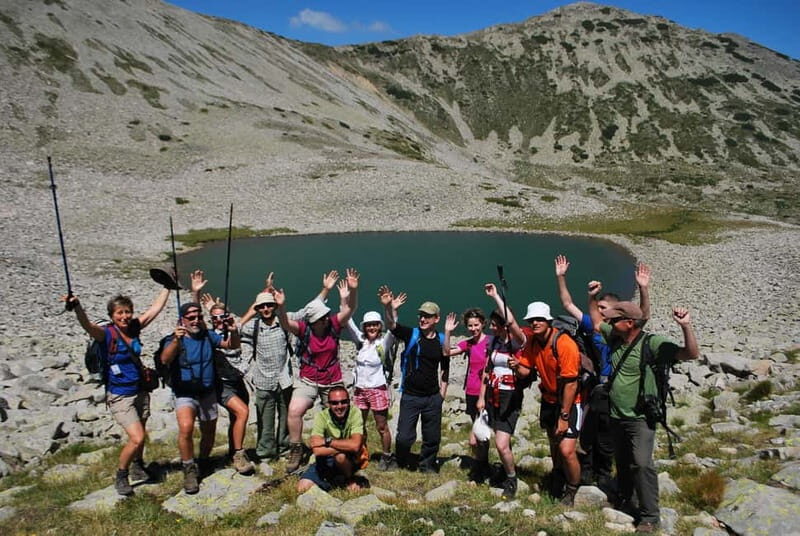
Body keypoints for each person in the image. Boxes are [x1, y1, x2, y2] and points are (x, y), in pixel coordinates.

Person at [593, 301, 698, 533]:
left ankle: (650, 515)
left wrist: (685, 326)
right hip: (616, 414)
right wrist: (593, 296)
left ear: (630, 323)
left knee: (641, 464)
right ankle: (624, 498)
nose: (609, 322)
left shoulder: (653, 343)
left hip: (640, 417)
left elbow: (690, 354)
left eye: (615, 319)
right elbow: (597, 321)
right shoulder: (616, 337)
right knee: (621, 461)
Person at [554, 255, 651, 489]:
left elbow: (643, 317)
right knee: (589, 433)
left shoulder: (621, 333)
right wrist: (561, 278)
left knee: (607, 434)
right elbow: (568, 305)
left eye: (605, 309)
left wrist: (643, 289)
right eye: (599, 309)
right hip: (594, 388)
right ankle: (587, 471)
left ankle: (604, 473)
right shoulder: (593, 326)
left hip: (614, 389)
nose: (601, 312)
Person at [65, 285, 170, 496]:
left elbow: (154, 310)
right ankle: (121, 474)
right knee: (137, 437)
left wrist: (167, 286)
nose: (124, 316)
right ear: (112, 315)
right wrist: (77, 307)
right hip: (120, 395)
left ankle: (138, 466)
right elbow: (87, 326)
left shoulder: (134, 328)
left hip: (140, 390)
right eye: (119, 313)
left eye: (127, 311)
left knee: (142, 430)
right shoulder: (106, 334)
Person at [240, 270, 341, 462]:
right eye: (262, 306)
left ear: (276, 306)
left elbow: (308, 310)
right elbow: (236, 327)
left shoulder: (285, 320)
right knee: (265, 419)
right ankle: (265, 452)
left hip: (285, 379)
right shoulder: (252, 327)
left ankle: (286, 448)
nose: (267, 309)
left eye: (270, 305)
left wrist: (325, 290)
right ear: (258, 309)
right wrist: (261, 296)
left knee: (287, 417)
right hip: (262, 380)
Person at [276, 268, 359, 474]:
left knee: (338, 414)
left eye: (326, 315)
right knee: (295, 411)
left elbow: (350, 310)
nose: (326, 318)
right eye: (322, 317)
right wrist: (281, 306)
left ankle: (340, 448)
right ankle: (296, 449)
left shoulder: (333, 325)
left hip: (332, 380)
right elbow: (284, 322)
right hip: (308, 380)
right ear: (313, 321)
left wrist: (353, 291)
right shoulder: (303, 329)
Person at [159, 301, 241, 494]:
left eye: (199, 317)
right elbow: (165, 359)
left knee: (209, 430)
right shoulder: (173, 339)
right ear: (182, 320)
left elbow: (231, 345)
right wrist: (176, 341)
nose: (196, 320)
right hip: (185, 392)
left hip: (207, 391)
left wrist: (233, 331)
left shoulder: (207, 336)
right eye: (191, 317)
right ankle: (188, 468)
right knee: (186, 428)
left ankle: (203, 461)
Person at [517, 300, 583, 506]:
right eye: (532, 320)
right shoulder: (534, 342)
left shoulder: (564, 344)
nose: (535, 323)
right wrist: (515, 365)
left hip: (569, 402)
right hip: (548, 399)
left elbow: (571, 383)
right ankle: (558, 476)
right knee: (554, 442)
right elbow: (526, 370)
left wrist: (564, 416)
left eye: (539, 319)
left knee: (567, 450)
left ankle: (572, 489)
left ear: (548, 320)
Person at [381, 286, 449, 473]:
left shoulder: (442, 340)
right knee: (404, 437)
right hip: (411, 396)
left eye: (428, 316)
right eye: (421, 315)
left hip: (432, 397)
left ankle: (427, 465)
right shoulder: (412, 334)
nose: (423, 319)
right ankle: (401, 459)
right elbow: (392, 326)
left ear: (436, 319)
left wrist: (442, 392)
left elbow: (445, 366)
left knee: (432, 436)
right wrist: (388, 308)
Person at [345, 309, 398, 471]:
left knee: (381, 426)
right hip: (360, 390)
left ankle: (387, 456)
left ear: (380, 326)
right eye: (369, 325)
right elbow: (348, 322)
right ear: (364, 327)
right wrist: (345, 300)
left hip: (377, 389)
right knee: (359, 426)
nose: (372, 328)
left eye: (375, 325)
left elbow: (393, 328)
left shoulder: (383, 343)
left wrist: (391, 308)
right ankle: (362, 452)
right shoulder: (360, 341)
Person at [443, 307, 490, 482]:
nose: (473, 328)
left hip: (485, 394)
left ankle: (480, 465)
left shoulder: (491, 342)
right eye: (470, 325)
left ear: (483, 324)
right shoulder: (468, 343)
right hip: (470, 392)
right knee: (479, 432)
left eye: (476, 325)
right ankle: (482, 465)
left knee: (477, 436)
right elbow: (446, 352)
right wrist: (447, 332)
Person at [297, 386, 367, 493]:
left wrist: (327, 441)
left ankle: (349, 478)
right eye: (334, 403)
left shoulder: (355, 413)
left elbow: (356, 445)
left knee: (340, 457)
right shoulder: (321, 416)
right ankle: (336, 481)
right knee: (302, 487)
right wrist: (347, 446)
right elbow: (317, 450)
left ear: (349, 402)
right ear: (328, 404)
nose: (339, 406)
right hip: (326, 459)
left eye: (343, 402)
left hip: (349, 458)